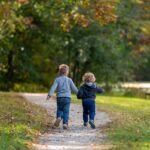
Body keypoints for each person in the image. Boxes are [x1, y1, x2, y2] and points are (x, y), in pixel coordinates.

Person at [46, 64, 78, 129]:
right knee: (66, 111)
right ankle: (65, 124)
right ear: (67, 72)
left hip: (59, 97)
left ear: (59, 72)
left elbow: (53, 87)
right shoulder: (69, 80)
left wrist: (49, 95)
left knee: (59, 109)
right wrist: (79, 94)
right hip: (67, 98)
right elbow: (74, 88)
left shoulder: (57, 79)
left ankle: (58, 117)